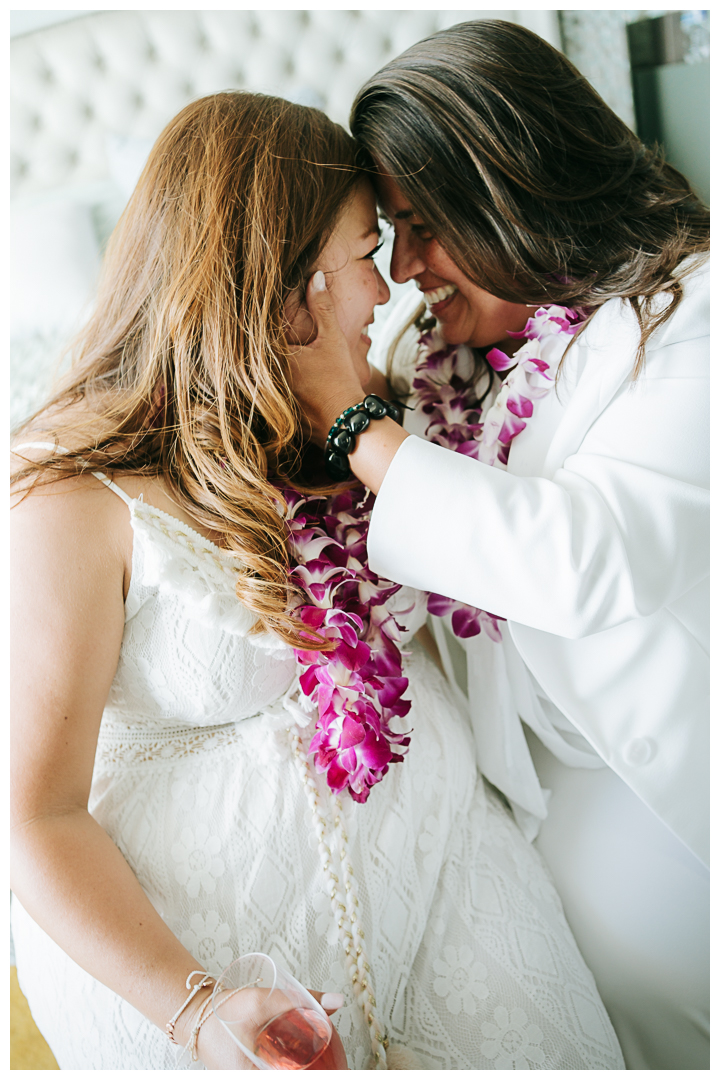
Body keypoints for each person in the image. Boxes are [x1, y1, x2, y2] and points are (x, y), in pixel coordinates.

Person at [10, 91, 624, 1070]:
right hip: (201, 972)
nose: (388, 293)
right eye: (366, 257)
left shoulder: (373, 415)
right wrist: (197, 1008)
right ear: (284, 282)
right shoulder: (76, 496)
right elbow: (32, 817)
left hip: (452, 885)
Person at [288, 20, 709, 1072]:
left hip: (664, 761)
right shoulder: (439, 365)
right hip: (536, 791)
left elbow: (585, 559)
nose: (412, 269)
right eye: (391, 235)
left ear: (514, 188)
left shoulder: (689, 315)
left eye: (428, 227)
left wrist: (356, 424)